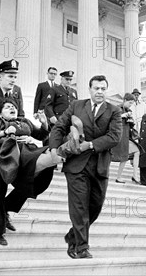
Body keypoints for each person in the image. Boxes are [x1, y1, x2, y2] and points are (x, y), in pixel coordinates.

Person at [49, 75, 122, 259]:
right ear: (89, 89)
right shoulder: (76, 106)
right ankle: (81, 247)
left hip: (99, 166)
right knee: (79, 207)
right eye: (96, 88)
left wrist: (90, 145)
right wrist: (53, 150)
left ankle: (72, 236)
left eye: (103, 89)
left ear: (106, 90)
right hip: (76, 165)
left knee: (95, 208)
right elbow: (59, 127)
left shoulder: (114, 111)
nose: (99, 92)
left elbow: (114, 137)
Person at [0, 98, 65, 245]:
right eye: (7, 107)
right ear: (0, 112)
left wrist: (43, 123)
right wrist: (3, 132)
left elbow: (41, 135)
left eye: (14, 107)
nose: (12, 108)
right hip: (0, 161)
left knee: (30, 182)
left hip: (23, 159)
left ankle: (6, 207)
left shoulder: (24, 122)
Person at [112, 93, 141, 184]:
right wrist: (122, 116)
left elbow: (129, 124)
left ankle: (134, 175)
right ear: (124, 100)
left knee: (136, 151)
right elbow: (111, 120)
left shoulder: (128, 110)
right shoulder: (116, 108)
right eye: (129, 103)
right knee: (112, 156)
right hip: (117, 136)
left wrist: (131, 121)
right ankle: (118, 176)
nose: (130, 105)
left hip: (126, 136)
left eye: (132, 103)